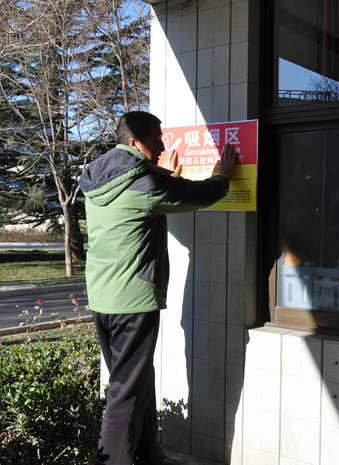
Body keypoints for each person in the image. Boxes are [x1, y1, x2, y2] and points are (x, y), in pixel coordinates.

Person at [79, 111, 237, 465]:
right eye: (156, 140)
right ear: (134, 142)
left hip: (103, 297)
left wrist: (164, 173)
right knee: (126, 391)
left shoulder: (98, 176)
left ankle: (149, 455)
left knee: (136, 380)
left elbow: (141, 192)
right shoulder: (146, 184)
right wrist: (222, 177)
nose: (163, 145)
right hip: (133, 301)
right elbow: (193, 195)